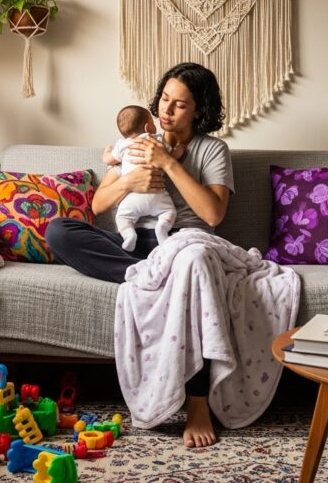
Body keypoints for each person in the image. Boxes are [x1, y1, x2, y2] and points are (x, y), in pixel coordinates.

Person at [45, 62, 234, 448]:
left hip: (183, 244)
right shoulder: (137, 137)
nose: (167, 110)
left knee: (193, 263)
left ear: (199, 109)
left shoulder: (213, 149)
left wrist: (168, 165)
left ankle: (199, 403)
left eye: (180, 104)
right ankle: (154, 278)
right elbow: (97, 206)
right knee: (59, 230)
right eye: (165, 99)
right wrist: (129, 180)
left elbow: (213, 214)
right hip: (134, 245)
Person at [102, 105, 179, 252]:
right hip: (157, 195)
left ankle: (129, 235)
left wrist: (107, 152)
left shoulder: (122, 145)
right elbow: (169, 159)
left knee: (122, 218)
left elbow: (109, 160)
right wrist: (178, 151)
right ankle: (162, 229)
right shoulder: (156, 140)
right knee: (169, 212)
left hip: (132, 200)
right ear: (148, 126)